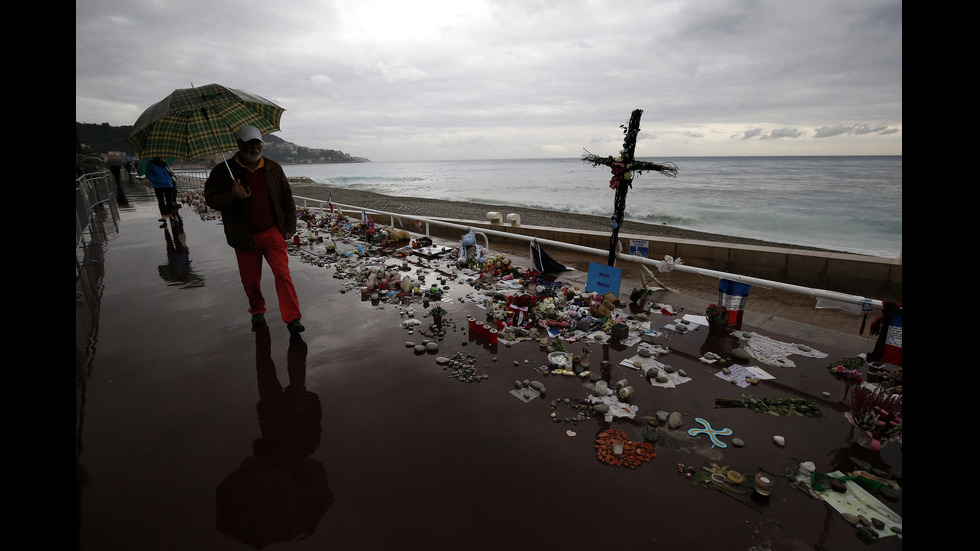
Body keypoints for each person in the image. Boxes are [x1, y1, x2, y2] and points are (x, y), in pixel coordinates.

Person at [204, 125, 305, 335]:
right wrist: (232, 196)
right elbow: (211, 199)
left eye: (257, 143)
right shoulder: (223, 171)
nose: (254, 147)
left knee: (283, 275)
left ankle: (293, 318)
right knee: (250, 280)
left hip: (272, 232)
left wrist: (289, 227)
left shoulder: (273, 167)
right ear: (239, 145)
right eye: (249, 143)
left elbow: (287, 198)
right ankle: (257, 310)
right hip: (244, 236)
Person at [145, 157, 178, 223]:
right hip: (158, 186)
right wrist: (156, 181)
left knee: (169, 200)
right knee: (161, 201)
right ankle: (163, 216)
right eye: (162, 158)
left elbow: (170, 174)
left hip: (168, 185)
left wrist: (172, 173)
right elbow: (148, 175)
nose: (163, 159)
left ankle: (171, 215)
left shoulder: (166, 165)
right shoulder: (151, 165)